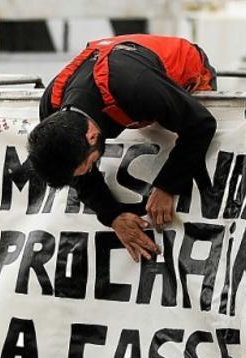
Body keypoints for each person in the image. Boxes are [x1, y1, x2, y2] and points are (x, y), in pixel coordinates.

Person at [27, 34, 217, 262]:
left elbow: (201, 124)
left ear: (91, 136)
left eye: (89, 165)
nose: (89, 171)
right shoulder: (52, 110)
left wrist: (167, 186)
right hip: (126, 71)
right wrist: (112, 216)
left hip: (184, 69)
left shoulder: (136, 88)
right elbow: (80, 178)